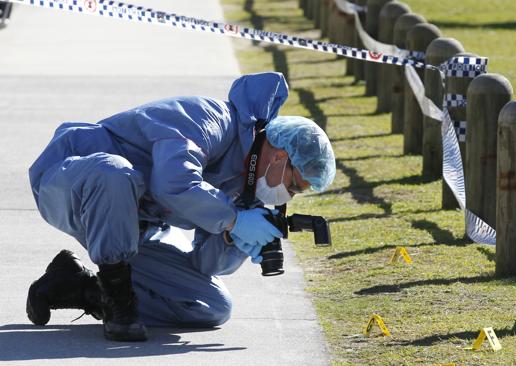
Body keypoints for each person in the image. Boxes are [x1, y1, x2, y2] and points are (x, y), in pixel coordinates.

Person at [26, 72, 336, 342]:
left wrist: (234, 242)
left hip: (136, 225)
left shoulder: (250, 187)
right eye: (294, 185)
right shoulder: (210, 118)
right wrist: (233, 220)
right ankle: (119, 305)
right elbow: (173, 183)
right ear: (281, 157)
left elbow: (206, 265)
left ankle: (77, 287)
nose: (289, 196)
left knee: (210, 306)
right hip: (71, 183)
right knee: (115, 173)